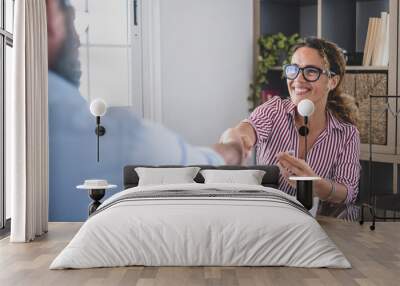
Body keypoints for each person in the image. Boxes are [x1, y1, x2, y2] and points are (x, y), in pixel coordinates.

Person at [46, 0, 240, 221]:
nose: (78, 40)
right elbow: (208, 165)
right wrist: (234, 144)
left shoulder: (23, 106)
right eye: (71, 20)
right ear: (51, 14)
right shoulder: (126, 140)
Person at [220, 37, 361, 220]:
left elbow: (347, 193)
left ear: (332, 81)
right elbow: (244, 130)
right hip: (270, 220)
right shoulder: (274, 110)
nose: (298, 80)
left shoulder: (347, 133)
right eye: (293, 70)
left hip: (320, 226)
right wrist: (235, 140)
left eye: (310, 71)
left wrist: (313, 184)